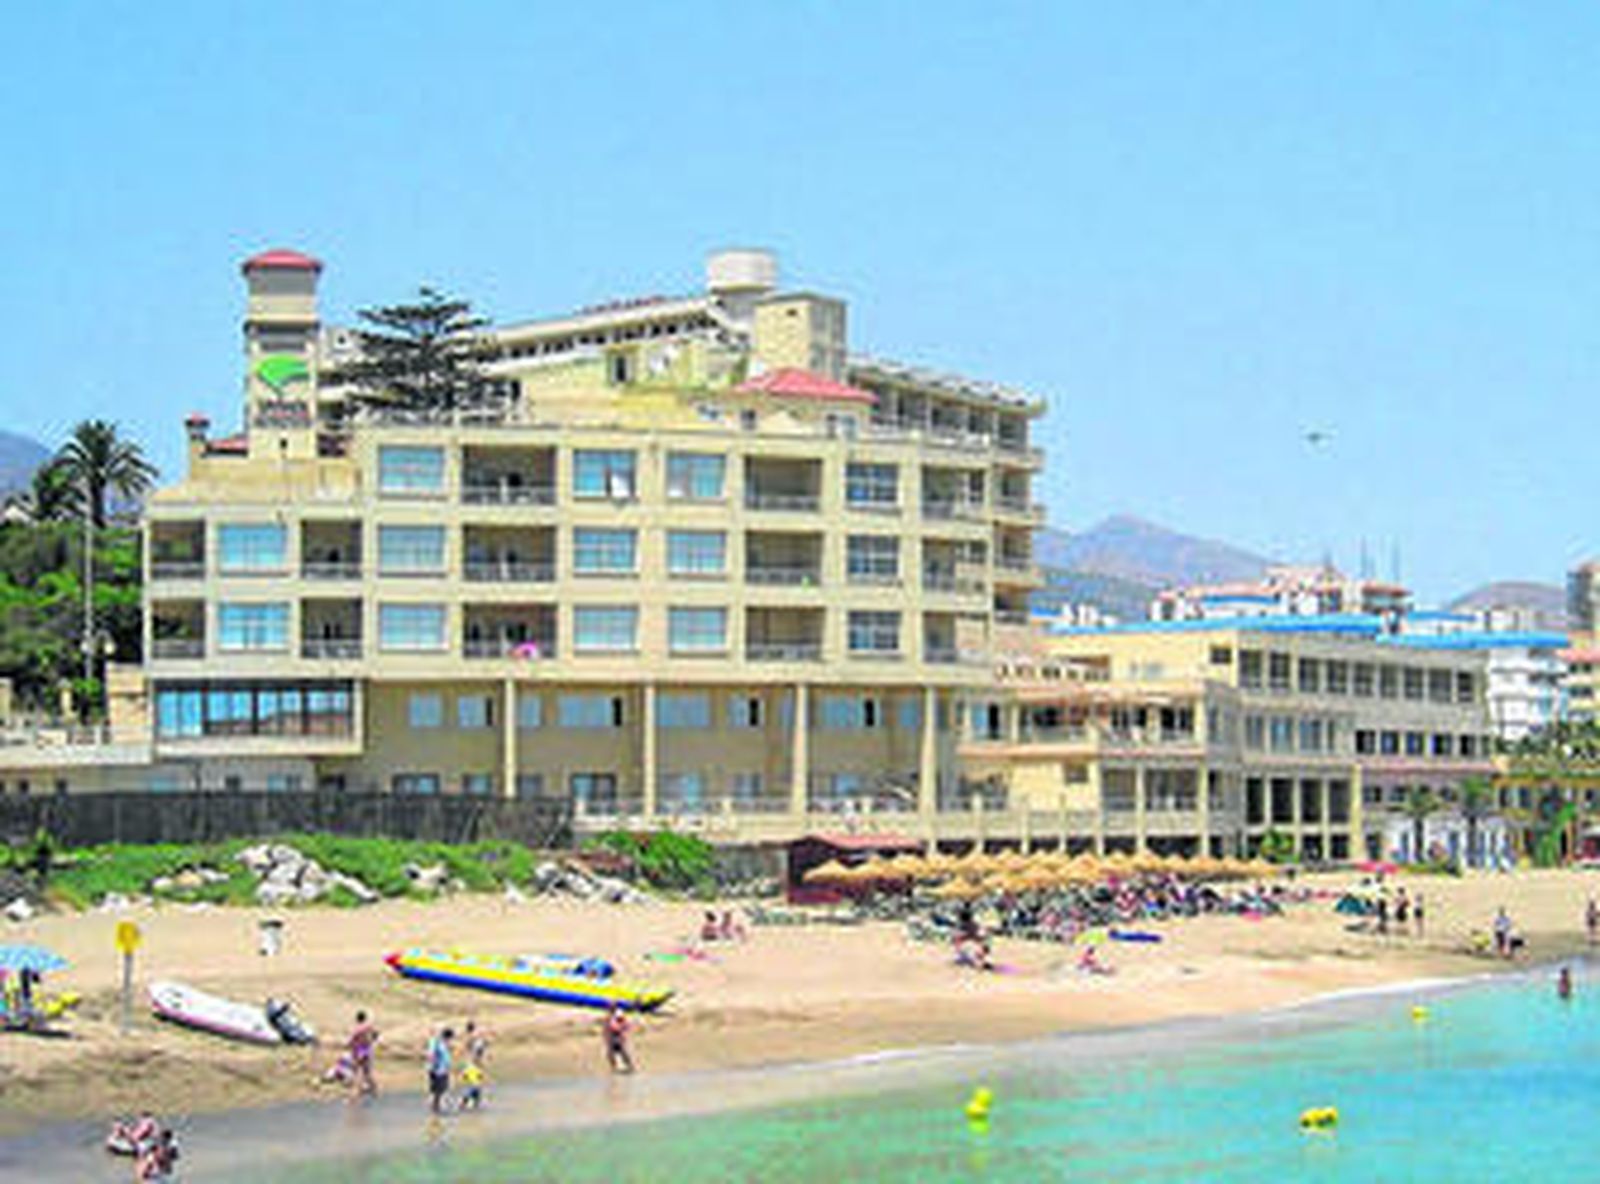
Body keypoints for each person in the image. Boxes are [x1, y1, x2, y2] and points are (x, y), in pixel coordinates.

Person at [347, 1010, 379, 1100]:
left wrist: (350, 1047)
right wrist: (372, 1042)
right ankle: (374, 1090)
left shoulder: (357, 1028)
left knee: (357, 1071)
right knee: (367, 1072)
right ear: (364, 1018)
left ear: (357, 1019)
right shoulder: (368, 1027)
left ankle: (355, 1094)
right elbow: (376, 1034)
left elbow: (352, 1040)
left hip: (359, 1051)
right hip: (366, 1050)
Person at [459, 1020, 488, 1111]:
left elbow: (472, 1052)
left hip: (470, 1065)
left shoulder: (470, 1039)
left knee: (477, 1087)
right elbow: (477, 1054)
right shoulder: (475, 1040)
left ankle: (475, 1106)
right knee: (474, 1086)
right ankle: (463, 1104)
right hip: (473, 1066)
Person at [426, 1026, 455, 1114]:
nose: (450, 1041)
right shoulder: (437, 1043)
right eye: (450, 1039)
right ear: (447, 1037)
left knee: (439, 1091)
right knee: (438, 1091)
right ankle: (435, 1109)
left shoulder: (441, 1043)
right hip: (438, 1071)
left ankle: (436, 1110)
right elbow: (431, 1055)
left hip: (441, 1070)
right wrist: (434, 1067)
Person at [603, 1004, 635, 1074]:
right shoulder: (609, 1017)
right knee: (612, 1052)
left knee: (621, 1051)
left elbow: (625, 1025)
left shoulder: (618, 1014)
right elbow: (607, 1027)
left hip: (617, 1036)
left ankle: (629, 1066)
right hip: (612, 1036)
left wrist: (623, 1033)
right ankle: (615, 1067)